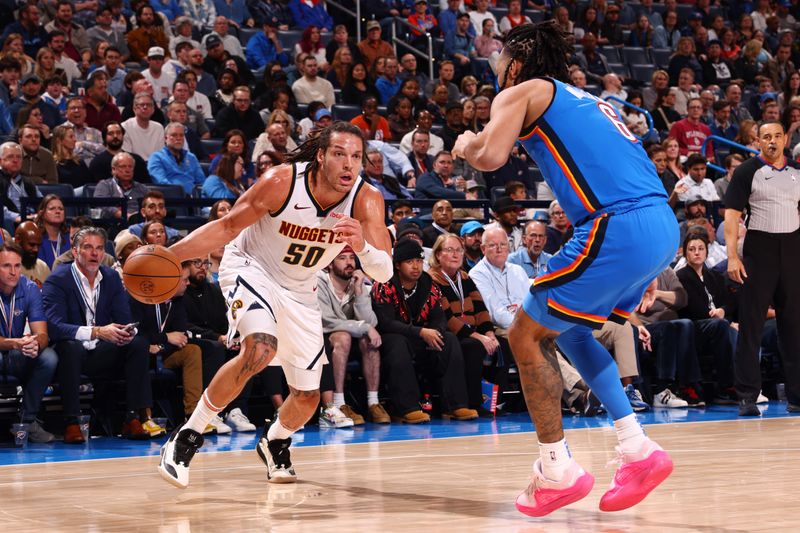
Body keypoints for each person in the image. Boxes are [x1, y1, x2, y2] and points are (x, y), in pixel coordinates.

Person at [451, 21, 679, 516]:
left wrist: (467, 143)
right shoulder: (587, 98)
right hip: (659, 224)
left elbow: (489, 156)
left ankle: (556, 470)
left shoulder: (522, 90)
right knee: (571, 333)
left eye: (498, 59)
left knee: (525, 335)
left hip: (614, 226)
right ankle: (637, 449)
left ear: (518, 60)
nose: (495, 69)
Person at [158, 121, 393, 487]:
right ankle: (187, 436)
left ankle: (276, 440)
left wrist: (361, 246)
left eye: (356, 157)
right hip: (251, 267)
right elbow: (227, 227)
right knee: (259, 349)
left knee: (308, 397)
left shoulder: (366, 199)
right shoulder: (282, 181)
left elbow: (385, 273)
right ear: (320, 156)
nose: (349, 165)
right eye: (339, 154)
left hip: (301, 287)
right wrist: (170, 256)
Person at [42, 227, 163, 443]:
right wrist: (96, 331)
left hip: (101, 351)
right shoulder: (58, 279)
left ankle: (133, 417)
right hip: (69, 351)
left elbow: (125, 317)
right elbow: (54, 327)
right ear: (75, 251)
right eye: (88, 247)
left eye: (99, 248)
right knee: (71, 347)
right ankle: (71, 421)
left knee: (138, 343)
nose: (94, 253)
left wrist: (127, 331)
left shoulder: (111, 277)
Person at [725, 120, 800, 416]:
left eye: (777, 136)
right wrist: (733, 257)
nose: (772, 141)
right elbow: (731, 217)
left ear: (785, 139)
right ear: (757, 141)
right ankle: (747, 395)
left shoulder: (797, 171)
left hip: (793, 249)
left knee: (794, 326)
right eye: (765, 137)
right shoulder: (747, 172)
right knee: (752, 324)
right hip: (760, 250)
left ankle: (797, 395)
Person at [371, 238, 478, 423]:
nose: (416, 267)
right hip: (390, 338)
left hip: (420, 337)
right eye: (410, 262)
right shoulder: (384, 284)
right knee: (397, 342)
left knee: (449, 339)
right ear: (398, 265)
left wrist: (435, 332)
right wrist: (420, 332)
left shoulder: (429, 284)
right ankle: (407, 408)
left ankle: (454, 405)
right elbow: (386, 323)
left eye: (419, 261)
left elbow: (439, 317)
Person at [316, 246, 390, 424]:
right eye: (342, 258)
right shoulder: (319, 282)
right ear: (330, 264)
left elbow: (370, 322)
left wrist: (359, 290)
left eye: (351, 258)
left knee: (370, 340)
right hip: (322, 337)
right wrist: (363, 327)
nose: (349, 263)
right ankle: (339, 403)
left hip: (351, 335)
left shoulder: (357, 282)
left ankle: (373, 402)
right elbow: (327, 321)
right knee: (343, 337)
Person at [428, 234, 500, 415]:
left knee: (501, 345)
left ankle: (501, 402)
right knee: (473, 346)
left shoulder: (465, 277)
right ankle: (471, 403)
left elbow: (480, 309)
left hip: (472, 332)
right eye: (449, 250)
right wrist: (477, 335)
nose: (455, 254)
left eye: (459, 250)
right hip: (448, 333)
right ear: (438, 255)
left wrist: (489, 333)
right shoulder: (431, 279)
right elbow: (446, 317)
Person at [0, 242, 58, 443]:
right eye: (6, 266)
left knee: (49, 357)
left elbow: (42, 332)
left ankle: (27, 421)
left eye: (17, 266)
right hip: (5, 349)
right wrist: (14, 343)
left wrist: (36, 343)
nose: (13, 272)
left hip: (16, 352)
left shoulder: (30, 287)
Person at [147, 122, 206, 195]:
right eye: (174, 135)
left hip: (194, 200)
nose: (178, 138)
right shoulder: (156, 157)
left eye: (181, 135)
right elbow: (161, 182)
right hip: (172, 200)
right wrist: (180, 193)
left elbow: (201, 182)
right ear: (166, 138)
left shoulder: (191, 157)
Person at [14, 221, 50, 287]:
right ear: (18, 240)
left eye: (38, 245)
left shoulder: (43, 267)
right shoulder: (5, 266)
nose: (36, 249)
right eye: (31, 245)